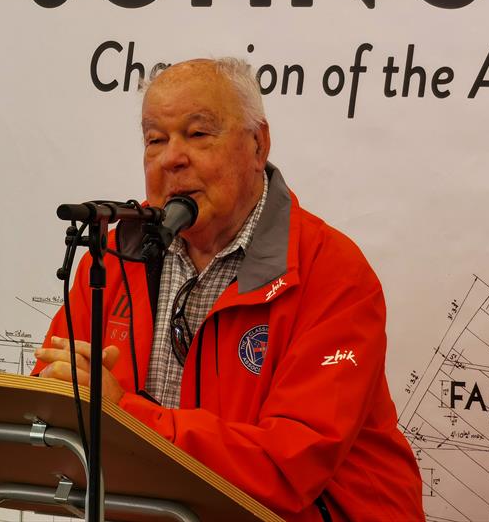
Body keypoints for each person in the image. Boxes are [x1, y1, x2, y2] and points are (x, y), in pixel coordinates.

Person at [33, 58, 424, 521]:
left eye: (198, 134)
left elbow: (288, 466)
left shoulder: (331, 270)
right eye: (154, 139)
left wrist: (124, 415)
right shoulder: (115, 255)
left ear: (258, 145)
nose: (172, 157)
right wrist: (62, 390)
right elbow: (55, 394)